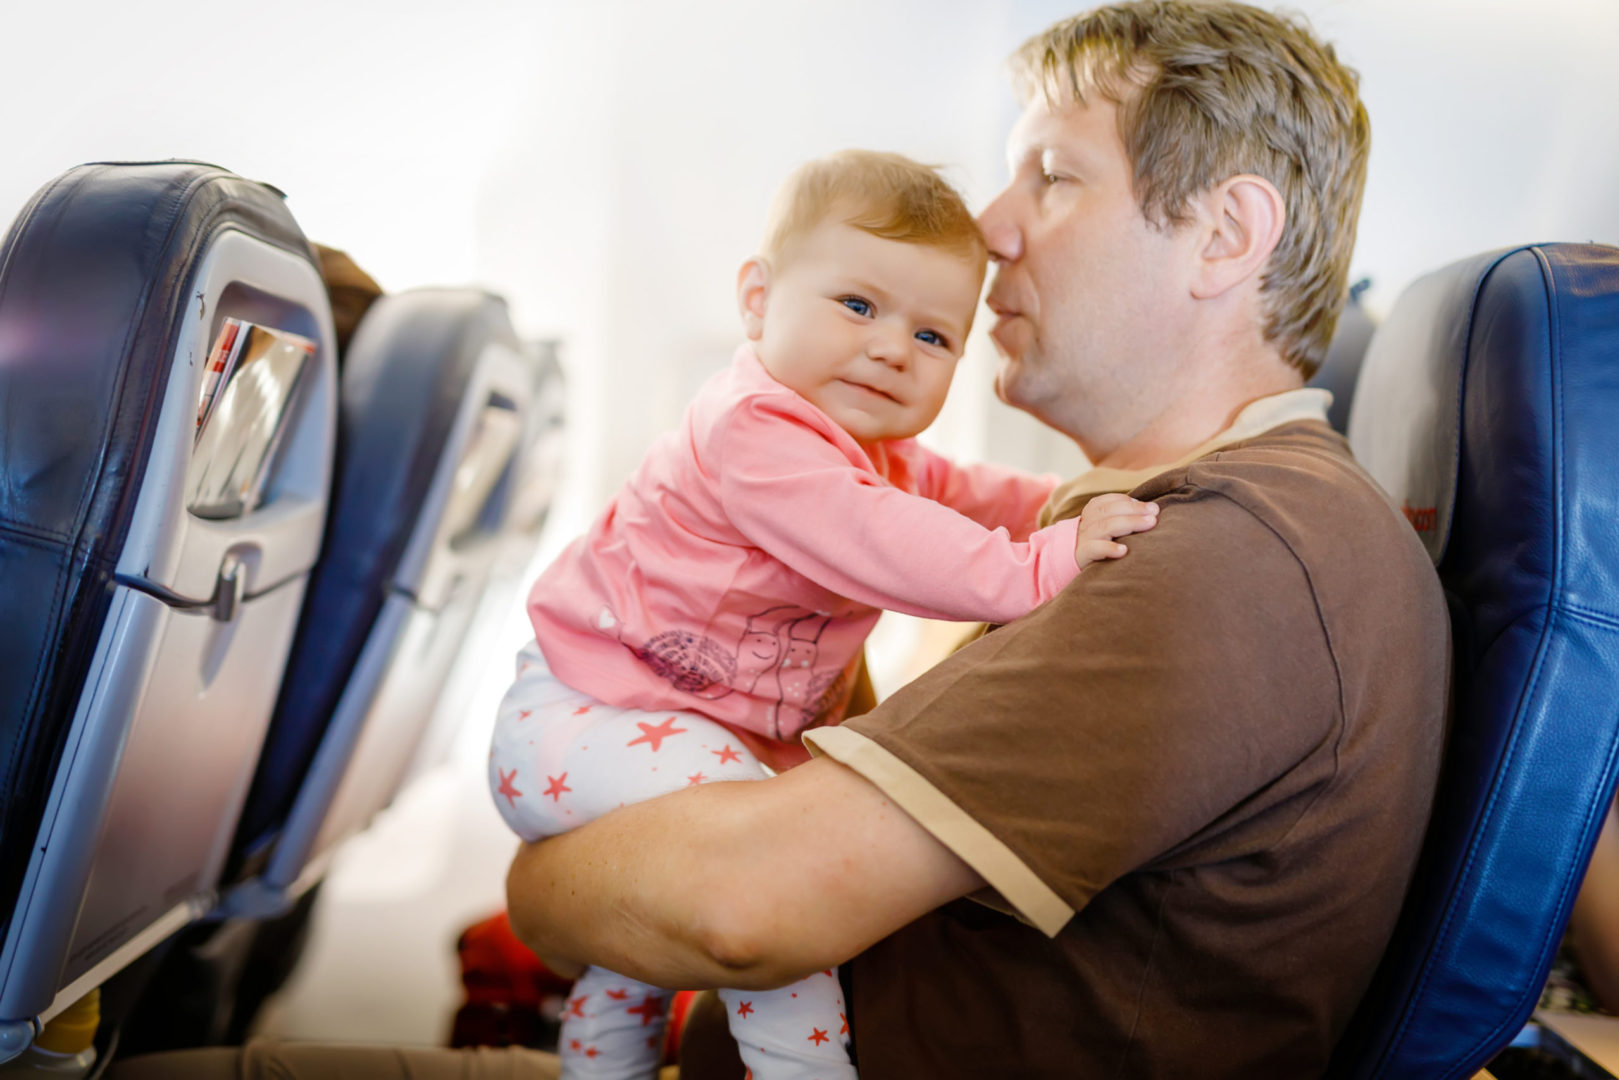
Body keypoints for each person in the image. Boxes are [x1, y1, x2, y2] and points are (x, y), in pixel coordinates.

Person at [110, 2, 1450, 1077]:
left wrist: (551, 872)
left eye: (1050, 175)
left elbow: (730, 912)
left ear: (1224, 235)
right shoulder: (1162, 522)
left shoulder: (1225, 563)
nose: (988, 229)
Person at [489, 148, 1157, 1080]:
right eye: (857, 305)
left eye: (934, 338)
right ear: (758, 299)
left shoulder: (874, 451)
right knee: (778, 874)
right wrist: (1043, 566)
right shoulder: (754, 431)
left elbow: (967, 493)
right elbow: (887, 542)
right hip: (582, 721)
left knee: (633, 965)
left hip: (654, 732)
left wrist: (1070, 500)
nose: (892, 346)